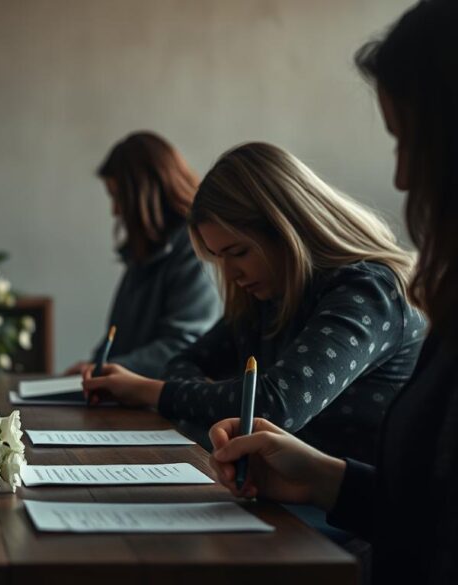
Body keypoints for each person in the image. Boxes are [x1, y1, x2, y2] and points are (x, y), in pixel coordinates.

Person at [209, 1, 458, 583]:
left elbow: (275, 402)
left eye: (410, 142)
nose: (400, 176)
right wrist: (322, 476)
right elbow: (430, 511)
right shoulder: (448, 301)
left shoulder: (366, 291)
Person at [83, 141, 424, 463]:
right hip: (276, 497)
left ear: (289, 230)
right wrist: (208, 395)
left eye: (239, 252)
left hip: (347, 516)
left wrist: (149, 391)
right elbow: (184, 362)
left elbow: (275, 406)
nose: (230, 275)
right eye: (219, 258)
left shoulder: (370, 292)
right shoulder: (268, 294)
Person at [64, 132, 221, 379]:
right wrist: (94, 364)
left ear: (146, 193)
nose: (115, 211)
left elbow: (182, 345)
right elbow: (120, 338)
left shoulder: (195, 247)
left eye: (118, 197)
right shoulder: (145, 252)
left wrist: (103, 370)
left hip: (163, 408)